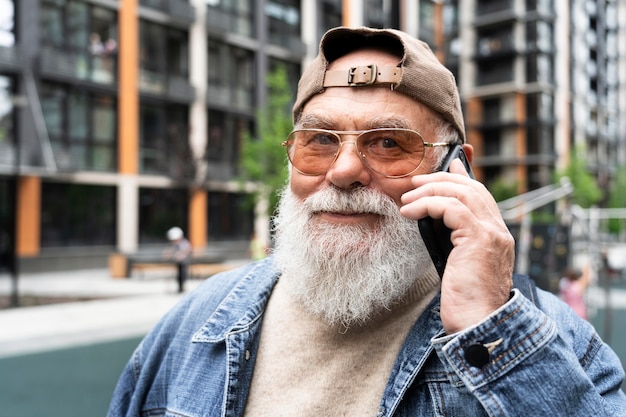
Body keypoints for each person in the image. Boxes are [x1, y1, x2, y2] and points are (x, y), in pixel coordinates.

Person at [108, 27, 625, 416]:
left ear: (457, 168)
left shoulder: (557, 343)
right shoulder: (195, 323)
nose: (345, 171)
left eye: (388, 143)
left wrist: (492, 332)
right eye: (319, 140)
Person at [164, 226, 191, 293]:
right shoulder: (174, 244)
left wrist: (180, 255)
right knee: (178, 276)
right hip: (178, 262)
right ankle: (180, 287)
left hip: (184, 262)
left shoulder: (184, 243)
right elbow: (169, 250)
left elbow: (186, 250)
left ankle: (182, 287)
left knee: (183, 275)